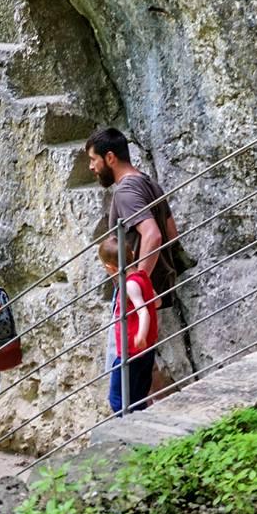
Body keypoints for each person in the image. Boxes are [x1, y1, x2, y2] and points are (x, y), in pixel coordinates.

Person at [86, 127, 179, 306]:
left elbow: (153, 235)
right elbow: (172, 234)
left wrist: (137, 286)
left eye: (93, 159)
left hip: (141, 301)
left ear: (110, 158)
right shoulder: (150, 183)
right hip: (159, 296)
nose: (91, 167)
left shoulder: (125, 191)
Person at [98, 234, 158, 413]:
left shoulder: (129, 285)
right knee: (138, 396)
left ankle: (128, 431)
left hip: (132, 352)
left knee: (117, 399)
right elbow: (156, 301)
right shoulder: (142, 277)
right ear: (132, 253)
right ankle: (139, 430)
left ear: (110, 268)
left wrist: (140, 335)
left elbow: (143, 311)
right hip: (146, 351)